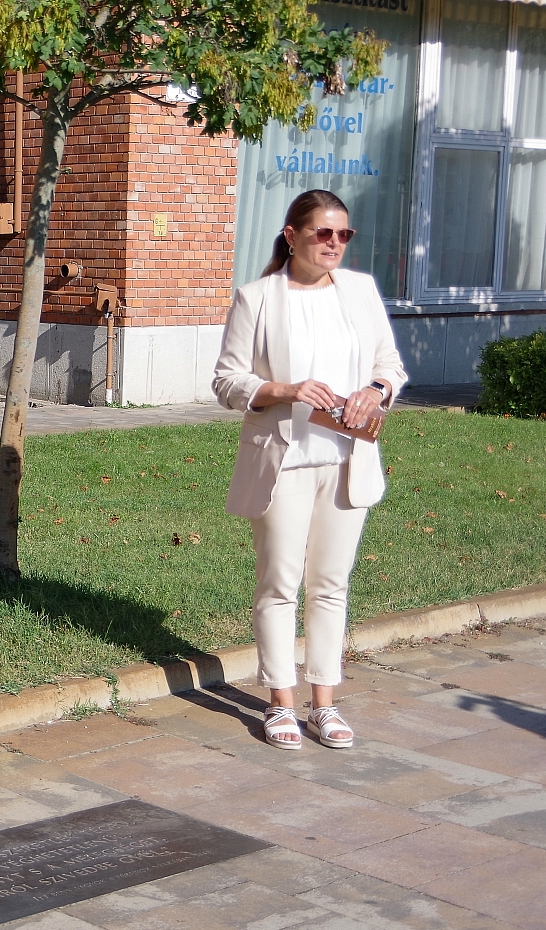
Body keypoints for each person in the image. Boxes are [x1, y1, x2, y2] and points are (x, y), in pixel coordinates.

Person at [212, 189, 407, 750]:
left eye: (344, 234)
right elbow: (226, 381)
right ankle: (281, 702)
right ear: (292, 235)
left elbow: (389, 365)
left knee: (331, 585)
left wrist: (376, 390)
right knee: (280, 584)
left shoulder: (359, 291)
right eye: (324, 233)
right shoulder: (257, 298)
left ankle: (325, 703)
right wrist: (285, 389)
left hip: (346, 460)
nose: (334, 243)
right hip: (284, 464)